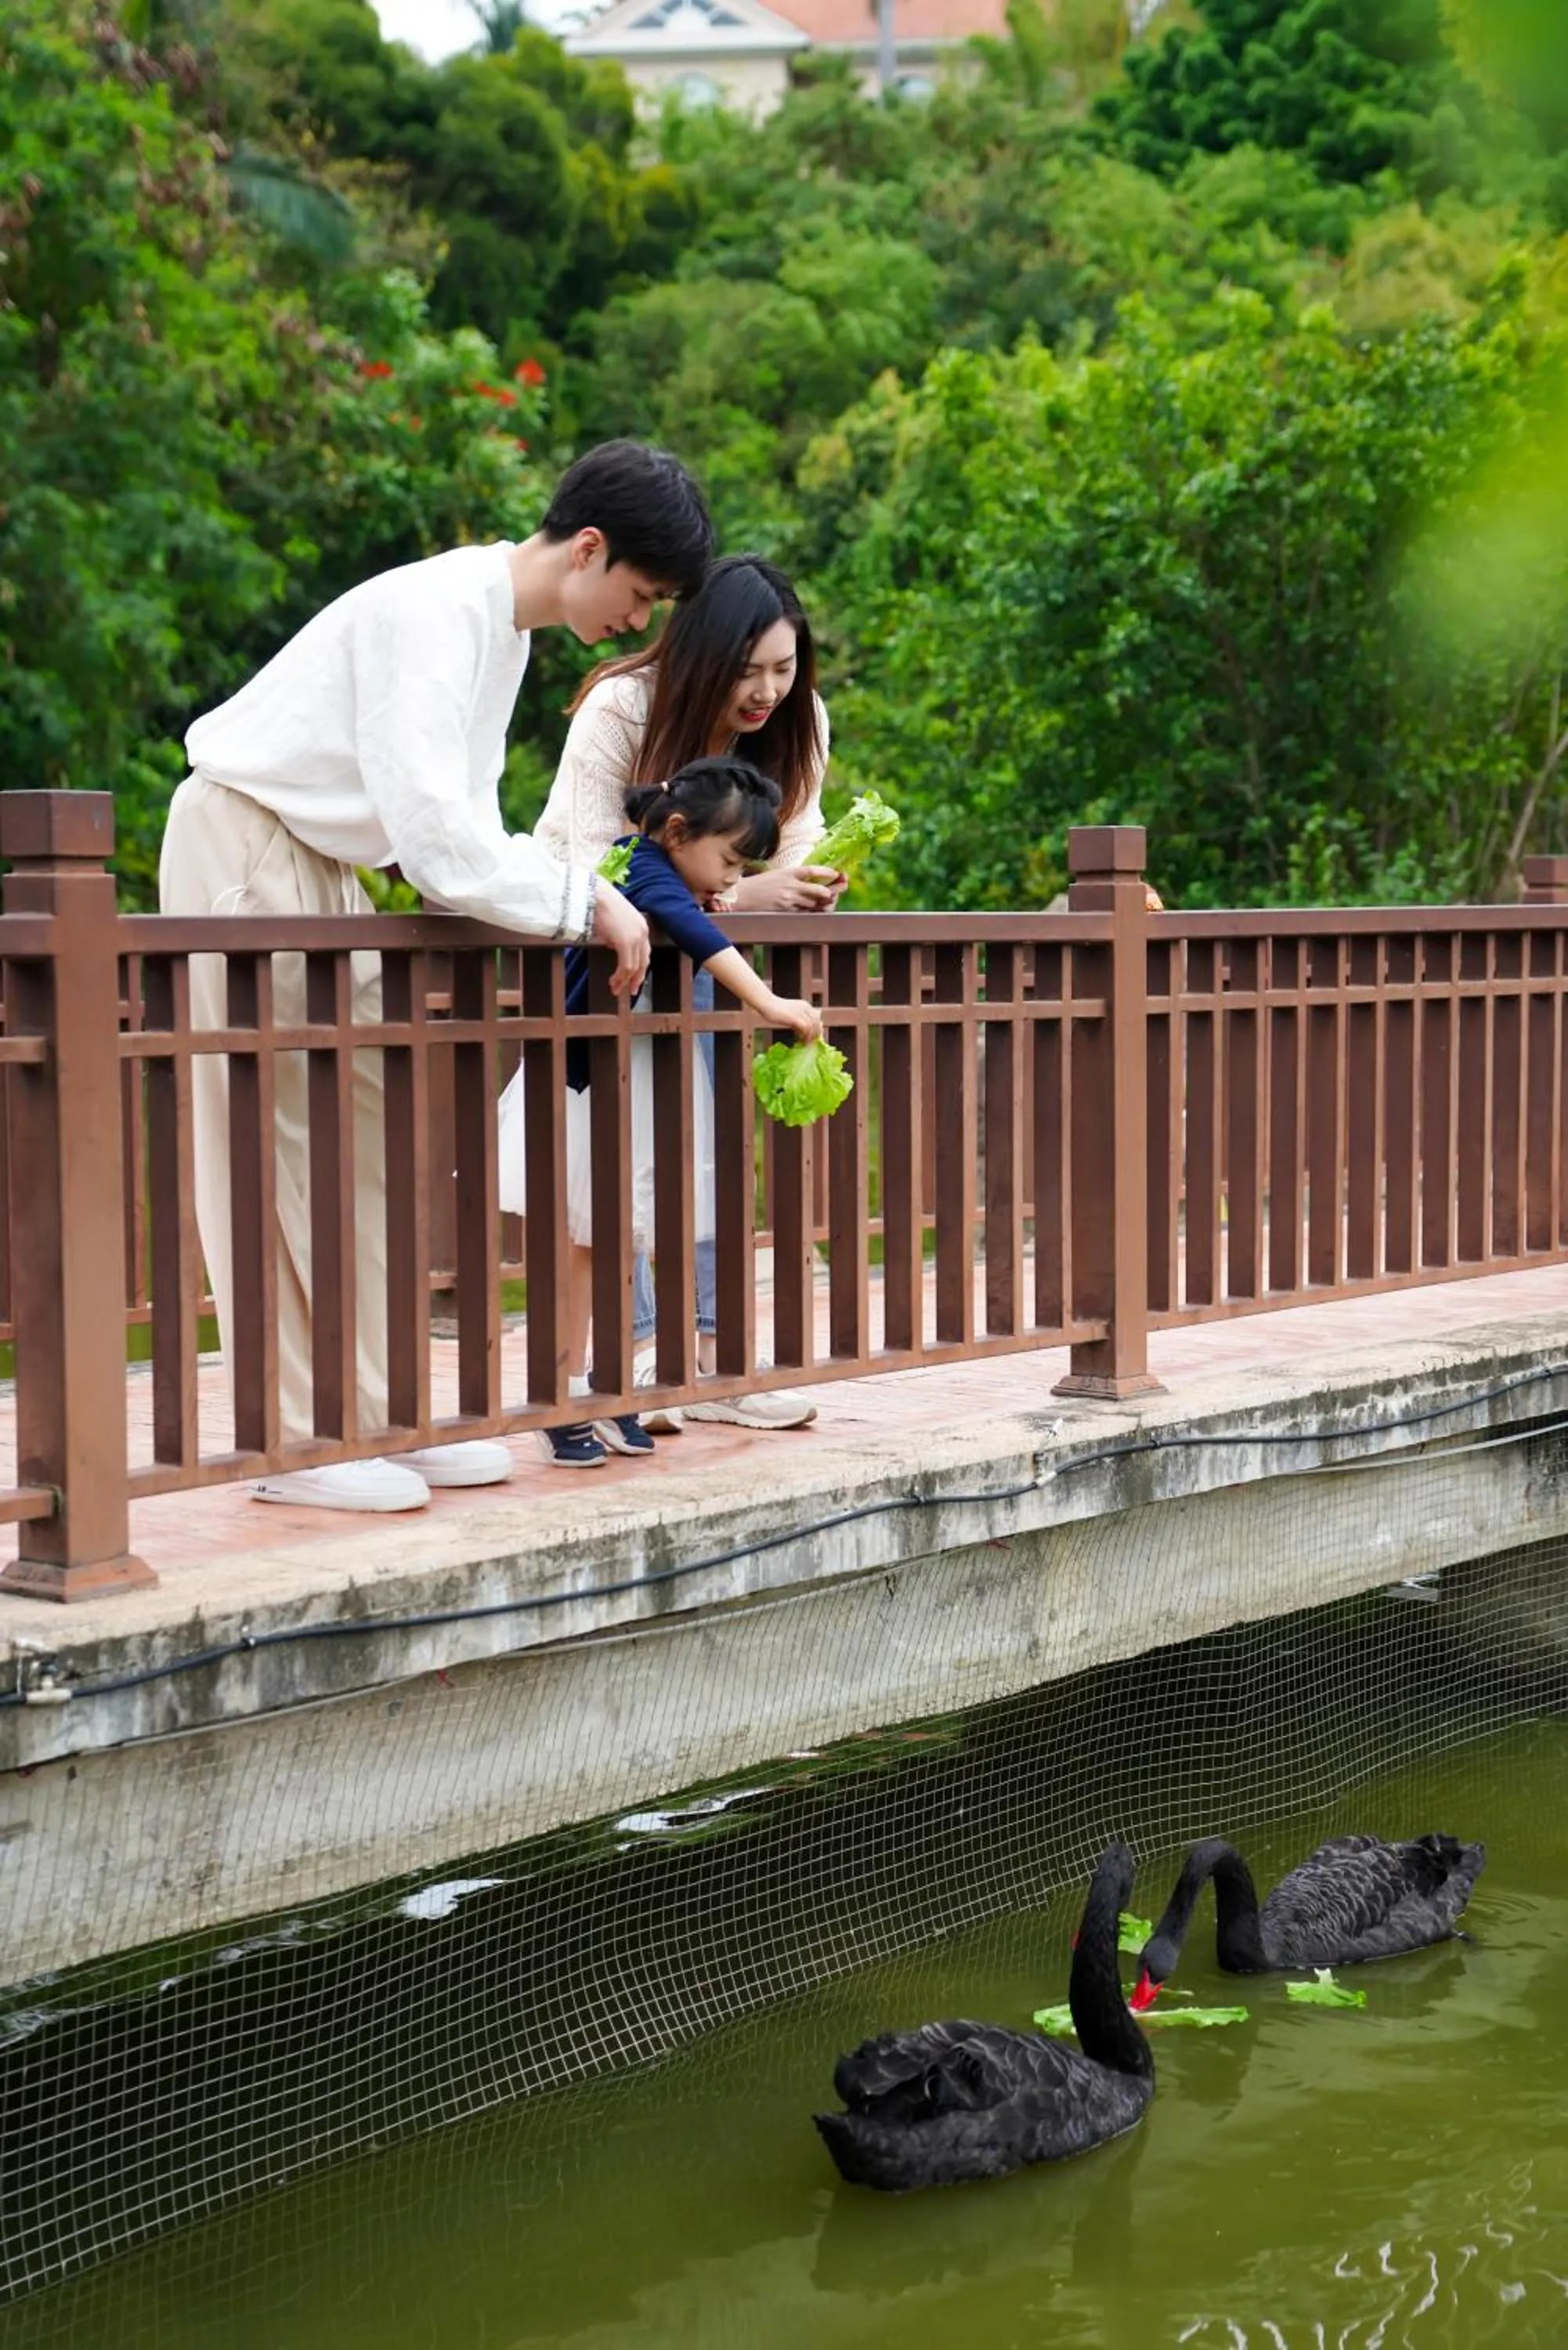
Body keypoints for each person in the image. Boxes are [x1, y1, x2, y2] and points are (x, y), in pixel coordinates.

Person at [159, 441, 714, 1513]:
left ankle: (372, 1417)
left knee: (361, 1135)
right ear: (589, 549)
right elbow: (435, 835)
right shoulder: (438, 612)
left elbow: (447, 836)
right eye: (638, 596)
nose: (637, 624)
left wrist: (567, 892)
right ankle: (292, 1442)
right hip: (248, 843)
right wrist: (583, 899)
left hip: (325, 867)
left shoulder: (495, 631)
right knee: (279, 1143)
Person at [533, 553, 842, 1431]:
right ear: (701, 654)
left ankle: (709, 1357)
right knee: (620, 1166)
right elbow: (597, 861)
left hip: (704, 970)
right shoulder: (623, 706)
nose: (767, 693)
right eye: (748, 672)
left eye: (784, 670)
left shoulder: (800, 717)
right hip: (609, 967)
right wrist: (745, 896)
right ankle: (631, 1360)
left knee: (700, 1154)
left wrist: (806, 882)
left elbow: (791, 846)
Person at [504, 755, 822, 1466]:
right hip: (582, 1087)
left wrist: (716, 897)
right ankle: (559, 1395)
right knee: (584, 1246)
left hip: (628, 1083)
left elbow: (689, 918)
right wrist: (768, 1001)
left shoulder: (663, 872)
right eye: (730, 863)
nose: (734, 882)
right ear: (677, 831)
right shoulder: (637, 863)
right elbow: (694, 930)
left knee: (621, 1239)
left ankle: (607, 1389)